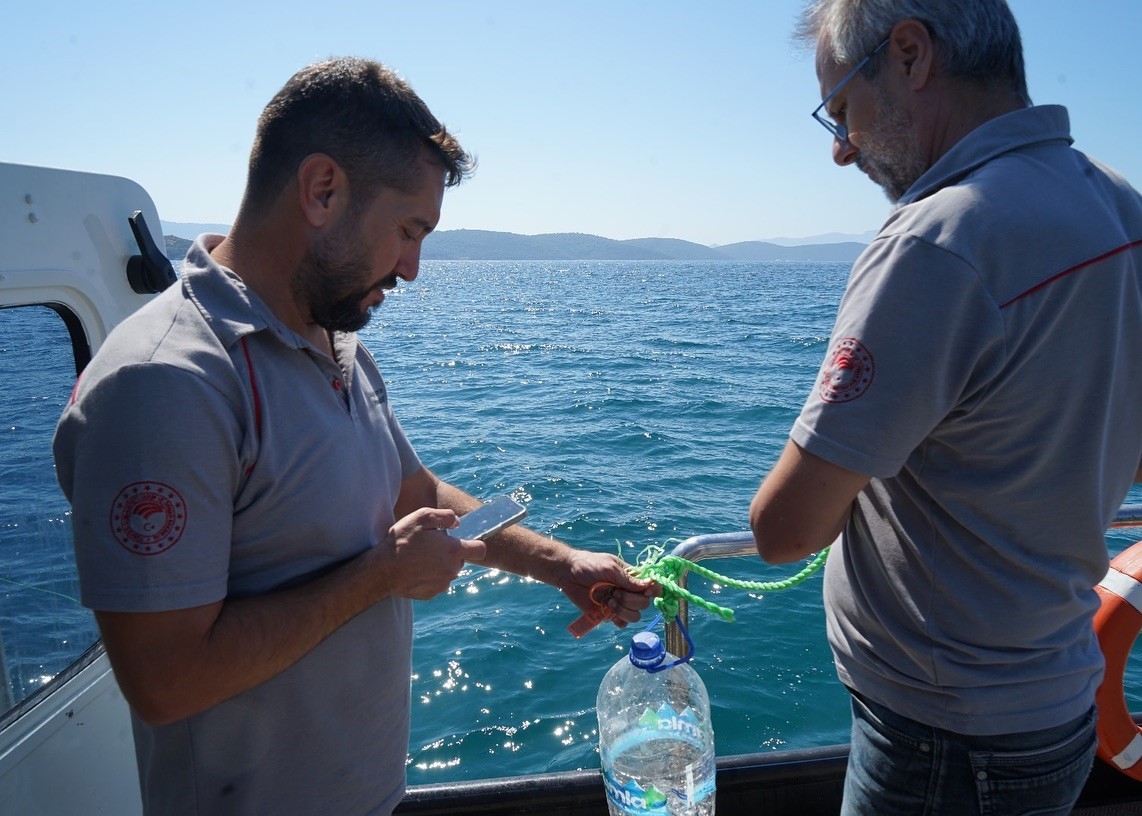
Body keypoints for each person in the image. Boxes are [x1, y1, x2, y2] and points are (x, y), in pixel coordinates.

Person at [52, 57, 654, 816]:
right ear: (322, 190)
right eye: (408, 230)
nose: (413, 268)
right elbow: (165, 682)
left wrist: (563, 564)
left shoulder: (336, 346)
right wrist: (379, 576)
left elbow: (417, 492)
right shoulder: (164, 382)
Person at [749, 1, 1142, 813]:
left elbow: (783, 532)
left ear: (911, 55)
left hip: (943, 744)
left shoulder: (937, 243)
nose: (839, 148)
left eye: (844, 109)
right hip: (1059, 701)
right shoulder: (1119, 208)